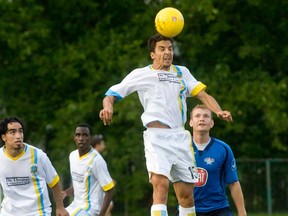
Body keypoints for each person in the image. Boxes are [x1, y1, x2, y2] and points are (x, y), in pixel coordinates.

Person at [99, 33, 233, 216]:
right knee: (160, 187)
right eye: (162, 49)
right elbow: (111, 94)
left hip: (180, 137)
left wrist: (218, 111)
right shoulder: (141, 74)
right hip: (156, 137)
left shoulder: (182, 72)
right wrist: (108, 107)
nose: (167, 53)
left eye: (170, 49)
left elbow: (203, 95)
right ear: (152, 54)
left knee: (187, 197)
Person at [185, 104, 246, 216]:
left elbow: (233, 183)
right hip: (188, 209)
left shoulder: (223, 149)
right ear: (191, 122)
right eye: (197, 116)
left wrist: (242, 212)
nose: (202, 119)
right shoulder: (181, 148)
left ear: (212, 123)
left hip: (218, 209)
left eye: (206, 116)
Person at [0, 117, 68, 216]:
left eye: (21, 131)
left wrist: (60, 207)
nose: (18, 136)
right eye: (12, 132)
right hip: (9, 213)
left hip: (38, 212)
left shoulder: (38, 155)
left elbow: (54, 182)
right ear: (3, 137)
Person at [62, 123, 115, 216]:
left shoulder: (97, 161)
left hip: (91, 208)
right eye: (78, 135)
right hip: (75, 205)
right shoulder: (72, 156)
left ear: (90, 138)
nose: (81, 138)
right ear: (74, 137)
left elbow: (110, 189)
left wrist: (101, 214)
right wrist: (66, 193)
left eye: (85, 135)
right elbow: (80, 184)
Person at [91, 134, 114, 216]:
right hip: (95, 196)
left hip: (100, 192)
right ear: (97, 145)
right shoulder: (95, 159)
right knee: (107, 207)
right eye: (102, 143)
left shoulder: (98, 157)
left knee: (109, 207)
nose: (104, 145)